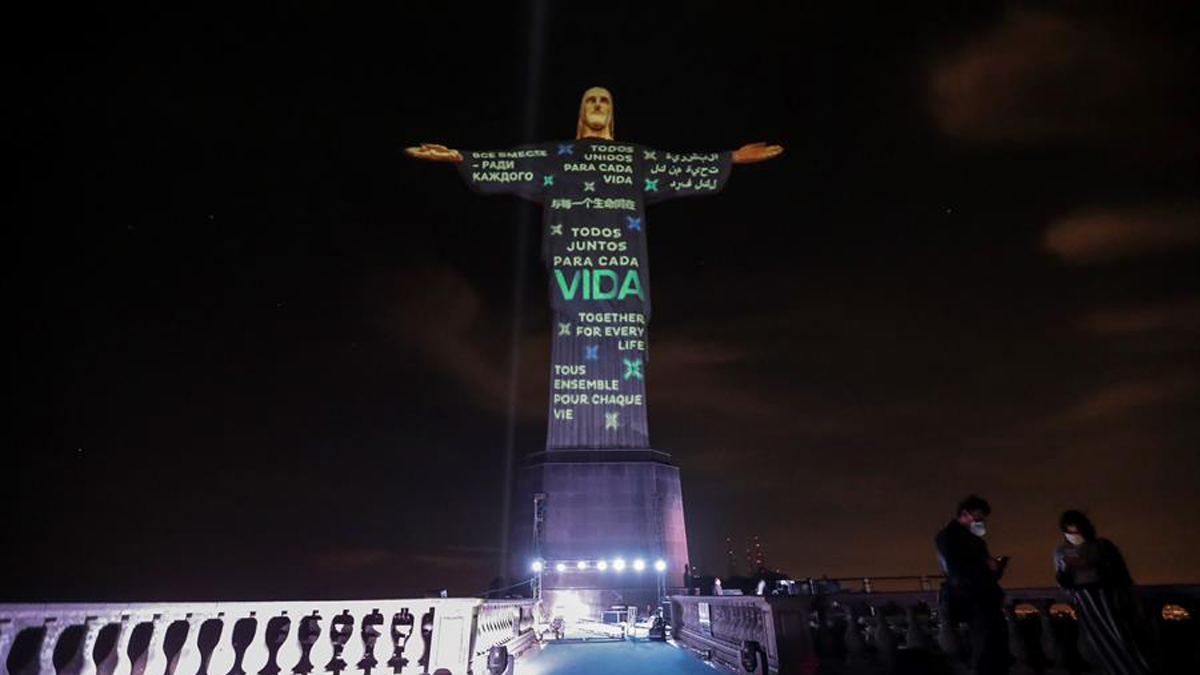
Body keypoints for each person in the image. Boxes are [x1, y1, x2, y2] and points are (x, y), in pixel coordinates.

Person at [1054, 510, 1154, 675]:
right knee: (1100, 644)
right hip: (1085, 600)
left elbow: (1120, 573)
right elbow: (1062, 581)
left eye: (1076, 532)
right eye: (1069, 532)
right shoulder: (1060, 551)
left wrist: (1095, 566)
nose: (1073, 536)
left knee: (1123, 639)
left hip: (1108, 598)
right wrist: (1066, 571)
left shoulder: (1102, 546)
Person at [935, 494, 1011, 675]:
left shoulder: (974, 540)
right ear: (964, 514)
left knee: (994, 648)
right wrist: (985, 567)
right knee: (984, 648)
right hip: (973, 600)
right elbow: (956, 570)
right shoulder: (948, 537)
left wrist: (996, 568)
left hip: (985, 598)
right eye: (978, 518)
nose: (980, 522)